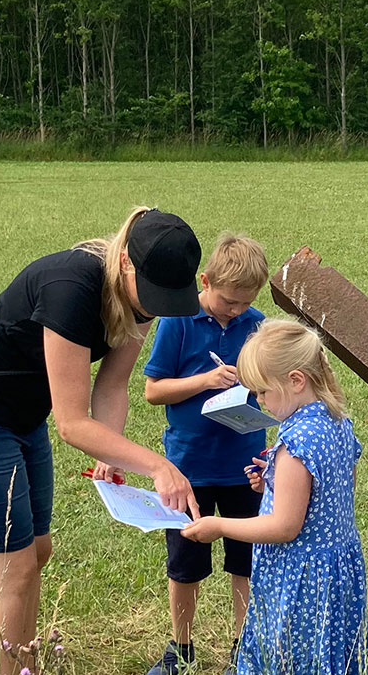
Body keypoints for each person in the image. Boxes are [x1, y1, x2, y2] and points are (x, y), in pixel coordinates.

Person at [0, 207, 204, 675]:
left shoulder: (141, 297)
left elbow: (112, 386)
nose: (155, 308)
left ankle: (21, 662)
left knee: (36, 552)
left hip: (23, 419)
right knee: (12, 568)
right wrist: (158, 465)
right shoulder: (71, 287)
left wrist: (110, 449)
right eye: (153, 294)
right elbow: (72, 424)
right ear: (126, 263)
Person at [182, 320, 368, 675]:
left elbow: (285, 526)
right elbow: (333, 492)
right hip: (335, 572)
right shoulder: (337, 421)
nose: (259, 401)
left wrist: (219, 526)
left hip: (300, 578)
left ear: (296, 380)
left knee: (292, 661)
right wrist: (272, 485)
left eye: (262, 392)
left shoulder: (296, 443)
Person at [135, 232, 270, 675]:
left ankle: (242, 645)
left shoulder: (257, 324)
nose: (236, 311)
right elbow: (154, 390)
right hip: (188, 466)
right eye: (229, 301)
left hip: (245, 464)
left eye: (244, 303)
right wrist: (205, 381)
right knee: (185, 562)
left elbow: (273, 391)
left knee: (246, 558)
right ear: (204, 280)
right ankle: (181, 647)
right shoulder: (177, 319)